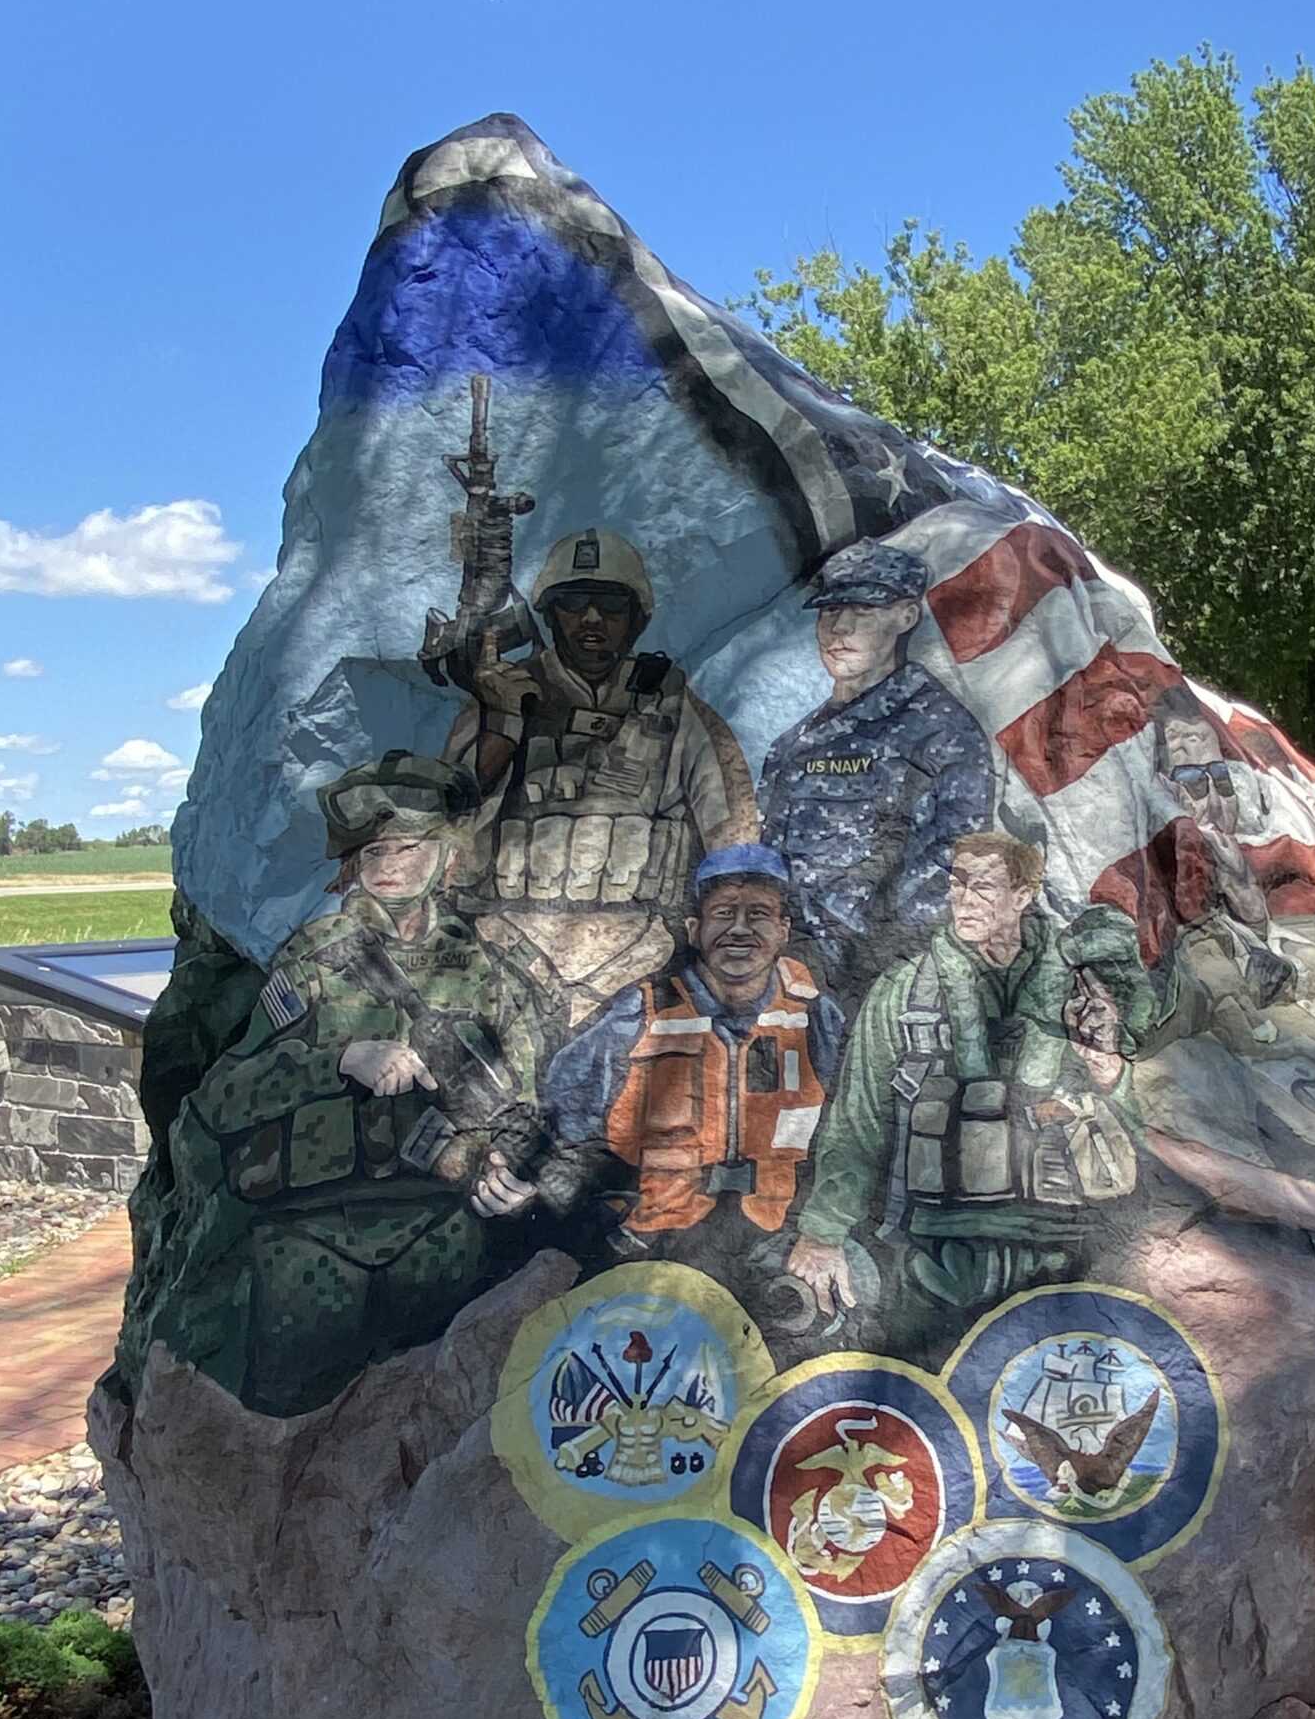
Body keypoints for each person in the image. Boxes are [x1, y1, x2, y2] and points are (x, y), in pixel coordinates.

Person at [164, 754, 547, 1415]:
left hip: (439, 1233)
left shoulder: (489, 971)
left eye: (410, 845)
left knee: (438, 1418)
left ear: (448, 855)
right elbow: (222, 1096)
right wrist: (338, 1059)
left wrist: (507, 1167)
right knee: (291, 1424)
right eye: (375, 847)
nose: (391, 863)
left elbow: (527, 1100)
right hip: (314, 1241)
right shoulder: (318, 958)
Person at [784, 831, 1157, 1348]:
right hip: (936, 1256)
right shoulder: (904, 993)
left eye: (980, 886)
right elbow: (858, 1121)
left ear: (1024, 895)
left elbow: (1137, 1132)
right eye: (955, 883)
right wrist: (823, 1232)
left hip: (1067, 1254)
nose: (961, 899)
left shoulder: (1087, 988)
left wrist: (1107, 1068)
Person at [479, 845, 847, 1279]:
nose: (741, 930)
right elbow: (560, 1123)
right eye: (724, 914)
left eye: (760, 915)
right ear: (694, 929)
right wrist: (517, 1175)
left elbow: (854, 1138)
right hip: (646, 1253)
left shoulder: (818, 1019)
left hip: (775, 1251)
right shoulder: (638, 1016)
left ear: (784, 930)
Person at [443, 526, 758, 1021]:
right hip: (507, 943)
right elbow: (447, 816)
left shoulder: (672, 703)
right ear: (549, 614)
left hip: (641, 952)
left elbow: (732, 827)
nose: (592, 618)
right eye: (573, 602)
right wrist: (503, 720)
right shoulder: (502, 694)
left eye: (611, 605)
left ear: (636, 619)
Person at [758, 537, 992, 995]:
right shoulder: (793, 744)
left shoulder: (940, 730)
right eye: (829, 613)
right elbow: (768, 862)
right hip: (785, 973)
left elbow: (954, 864)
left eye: (862, 612)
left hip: (878, 978)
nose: (839, 629)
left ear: (906, 617)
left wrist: (865, 965)